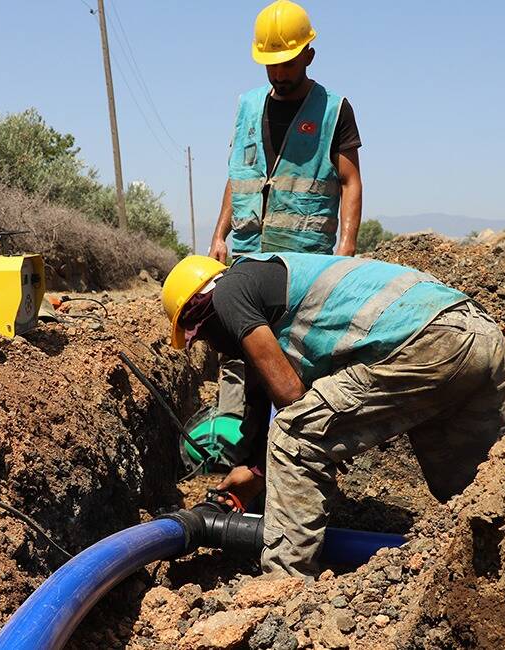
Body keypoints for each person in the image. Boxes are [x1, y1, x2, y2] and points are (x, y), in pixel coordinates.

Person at [161, 253, 505, 578]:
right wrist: (255, 472)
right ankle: (498, 566)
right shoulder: (268, 282)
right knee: (476, 488)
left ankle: (282, 581)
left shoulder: (229, 293)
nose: (212, 345)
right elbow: (259, 393)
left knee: (292, 434)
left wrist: (316, 445)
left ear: (201, 311)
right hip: (477, 333)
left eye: (204, 336)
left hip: (425, 343)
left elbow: (288, 395)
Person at [209, 0, 364, 473]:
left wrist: (347, 250)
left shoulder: (334, 109)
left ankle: (300, 470)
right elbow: (239, 176)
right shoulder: (248, 106)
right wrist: (219, 234)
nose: (279, 74)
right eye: (272, 65)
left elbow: (350, 182)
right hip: (248, 257)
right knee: (245, 366)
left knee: (298, 369)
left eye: (288, 64)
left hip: (303, 266)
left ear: (309, 56)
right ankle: (244, 466)